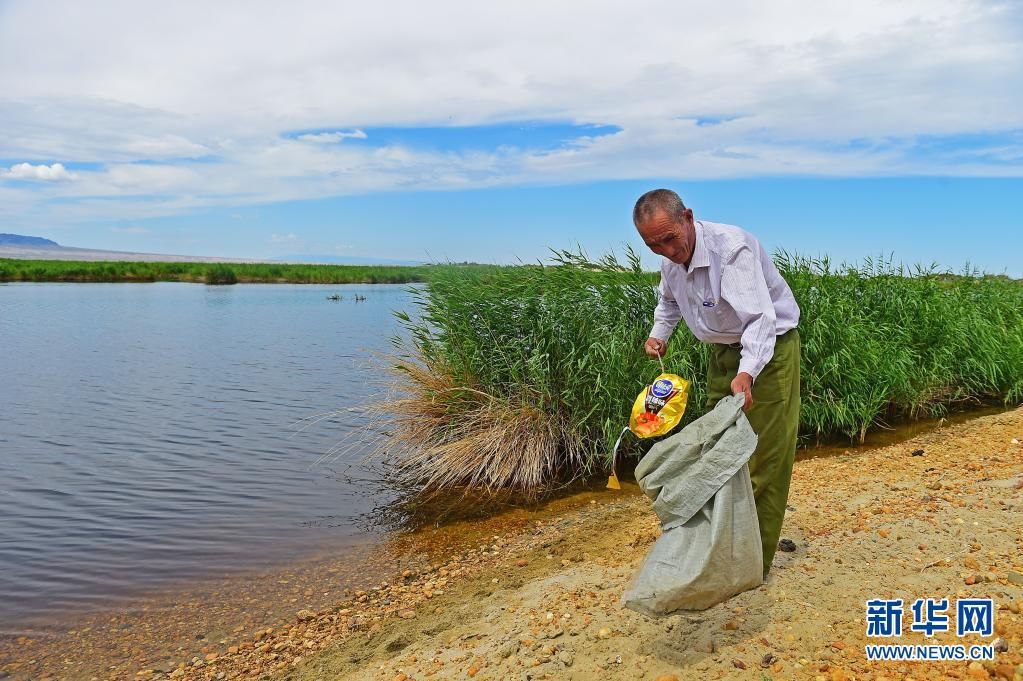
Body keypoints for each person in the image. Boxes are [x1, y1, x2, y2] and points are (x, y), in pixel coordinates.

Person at [633, 188, 800, 577]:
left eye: (669, 239)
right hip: (724, 355)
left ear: (688, 218)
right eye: (653, 245)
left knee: (763, 458)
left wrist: (748, 373)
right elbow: (669, 302)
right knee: (718, 451)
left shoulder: (732, 249)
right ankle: (724, 544)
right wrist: (661, 333)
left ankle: (753, 562)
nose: (667, 251)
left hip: (767, 353)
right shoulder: (670, 260)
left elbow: (761, 321)